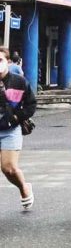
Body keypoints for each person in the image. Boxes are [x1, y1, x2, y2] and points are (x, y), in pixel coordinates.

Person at [0, 47, 36, 210]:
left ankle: (24, 187)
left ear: (7, 61)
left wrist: (16, 117)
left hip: (10, 130)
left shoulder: (19, 81)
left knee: (8, 168)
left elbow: (31, 105)